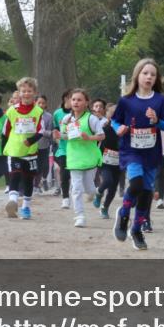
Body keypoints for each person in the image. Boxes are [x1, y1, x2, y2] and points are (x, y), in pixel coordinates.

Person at [112, 58, 164, 250]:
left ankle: (136, 230)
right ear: (137, 75)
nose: (148, 77)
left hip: (152, 152)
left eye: (152, 74)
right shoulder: (126, 101)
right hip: (131, 150)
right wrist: (118, 128)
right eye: (145, 73)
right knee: (136, 183)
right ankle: (123, 215)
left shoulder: (160, 100)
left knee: (146, 194)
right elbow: (114, 121)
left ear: (157, 79)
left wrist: (156, 120)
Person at [54, 88, 104, 228]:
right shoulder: (66, 119)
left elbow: (101, 136)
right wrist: (59, 136)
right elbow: (65, 136)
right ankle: (80, 216)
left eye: (79, 99)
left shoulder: (91, 119)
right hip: (74, 158)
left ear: (86, 102)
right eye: (73, 99)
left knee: (89, 189)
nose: (75, 102)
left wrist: (89, 138)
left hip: (89, 159)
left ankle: (96, 192)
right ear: (70, 101)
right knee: (75, 188)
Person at [2, 77, 44, 220]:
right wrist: (14, 141)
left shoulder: (38, 111)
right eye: (23, 91)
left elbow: (41, 130)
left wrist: (31, 140)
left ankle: (26, 207)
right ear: (19, 93)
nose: (26, 94)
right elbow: (5, 130)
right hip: (15, 150)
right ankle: (13, 201)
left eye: (29, 91)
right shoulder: (11, 111)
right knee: (15, 174)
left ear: (34, 93)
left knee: (28, 179)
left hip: (31, 151)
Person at [94, 103, 122, 219]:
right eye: (113, 114)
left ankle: (105, 208)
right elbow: (96, 141)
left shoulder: (124, 129)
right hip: (105, 160)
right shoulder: (105, 128)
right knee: (107, 180)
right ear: (108, 115)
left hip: (118, 162)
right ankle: (99, 192)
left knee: (113, 188)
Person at [52, 90, 72, 206]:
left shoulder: (79, 114)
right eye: (71, 98)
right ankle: (65, 198)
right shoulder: (57, 113)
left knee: (73, 173)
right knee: (64, 172)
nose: (74, 101)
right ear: (65, 98)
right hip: (63, 148)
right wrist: (58, 140)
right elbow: (55, 130)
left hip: (78, 148)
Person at [35, 95, 55, 193]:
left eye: (43, 103)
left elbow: (50, 131)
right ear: (35, 103)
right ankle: (36, 185)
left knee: (44, 165)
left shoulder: (49, 116)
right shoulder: (31, 115)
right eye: (39, 103)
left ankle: (44, 179)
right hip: (32, 145)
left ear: (46, 104)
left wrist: (42, 132)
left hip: (44, 145)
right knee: (35, 166)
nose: (41, 105)